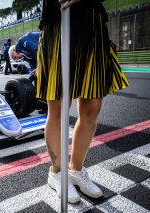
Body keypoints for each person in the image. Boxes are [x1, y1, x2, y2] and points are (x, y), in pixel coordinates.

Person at [36, 0, 129, 204]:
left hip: (92, 22)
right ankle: (57, 173)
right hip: (59, 19)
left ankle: (75, 170)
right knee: (59, 107)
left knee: (92, 107)